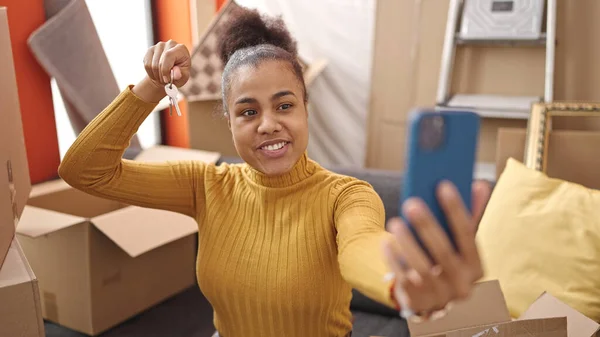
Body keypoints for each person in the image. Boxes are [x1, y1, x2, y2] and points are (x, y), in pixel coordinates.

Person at [58, 7, 491, 337]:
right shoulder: (205, 185)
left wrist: (402, 281)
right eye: (248, 111)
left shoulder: (347, 196)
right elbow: (85, 170)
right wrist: (151, 86)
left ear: (306, 110)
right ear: (229, 122)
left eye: (285, 105)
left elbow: (362, 248)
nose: (268, 123)